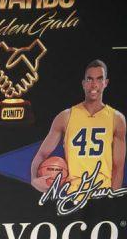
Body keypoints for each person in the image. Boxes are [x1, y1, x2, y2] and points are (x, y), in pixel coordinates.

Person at [30, 59, 126, 194]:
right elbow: (42, 154)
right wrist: (34, 179)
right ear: (83, 83)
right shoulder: (65, 117)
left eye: (99, 79)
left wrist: (111, 200)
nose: (94, 84)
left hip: (102, 193)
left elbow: (118, 167)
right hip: (73, 195)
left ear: (106, 83)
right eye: (89, 79)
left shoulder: (116, 119)